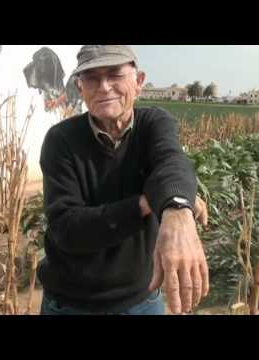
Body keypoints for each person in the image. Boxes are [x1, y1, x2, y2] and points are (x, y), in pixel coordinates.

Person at [38, 45, 209, 315]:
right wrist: (148, 202)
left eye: (115, 74)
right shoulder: (61, 140)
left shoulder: (154, 123)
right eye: (92, 78)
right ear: (79, 87)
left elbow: (170, 163)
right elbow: (68, 228)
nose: (104, 87)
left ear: (138, 81)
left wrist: (176, 207)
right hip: (73, 302)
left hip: (142, 299)